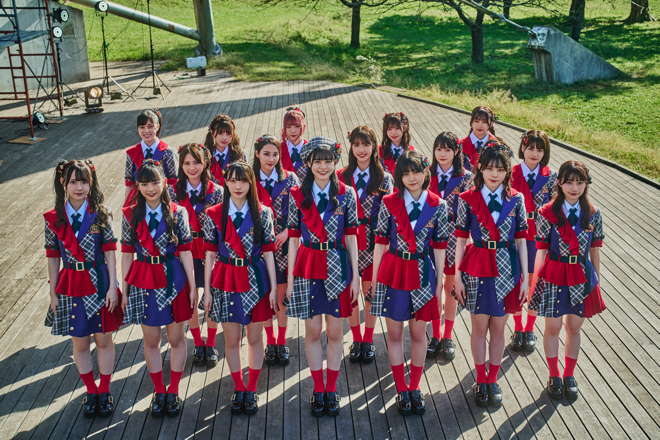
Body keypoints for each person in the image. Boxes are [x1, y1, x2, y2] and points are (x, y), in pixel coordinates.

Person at [369, 150, 449, 416]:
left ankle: (415, 387)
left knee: (418, 334)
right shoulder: (389, 202)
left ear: (426, 172)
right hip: (393, 271)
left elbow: (440, 246)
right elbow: (380, 242)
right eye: (405, 174)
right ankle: (401, 388)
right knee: (394, 334)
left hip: (423, 272)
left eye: (416, 172)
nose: (411, 178)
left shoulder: (438, 204)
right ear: (399, 177)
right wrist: (375, 279)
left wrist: (439, 285)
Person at [285, 137, 360, 417]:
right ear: (308, 163)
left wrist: (355, 277)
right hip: (308, 265)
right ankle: (318, 388)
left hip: (338, 265)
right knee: (313, 331)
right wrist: (290, 280)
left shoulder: (347, 194)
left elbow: (351, 237)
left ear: (335, 162)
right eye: (317, 161)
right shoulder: (296, 195)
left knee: (336, 332)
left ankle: (331, 388)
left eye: (328, 160)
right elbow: (293, 240)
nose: (323, 166)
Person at [44, 159, 123, 418]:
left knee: (103, 340)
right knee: (80, 343)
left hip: (99, 283)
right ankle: (90, 390)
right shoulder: (53, 218)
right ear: (63, 183)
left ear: (91, 183)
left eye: (84, 181)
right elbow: (52, 257)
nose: (79, 187)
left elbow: (110, 251)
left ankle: (104, 390)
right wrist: (53, 292)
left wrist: (113, 287)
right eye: (73, 182)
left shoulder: (102, 213)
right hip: (70, 286)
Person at [453, 143, 529, 408]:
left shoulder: (517, 199)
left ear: (508, 171)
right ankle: (480, 379)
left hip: (508, 268)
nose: (494, 174)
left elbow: (521, 240)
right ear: (480, 169)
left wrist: (525, 278)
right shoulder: (467, 198)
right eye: (489, 168)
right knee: (479, 327)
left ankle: (493, 380)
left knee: (498, 327)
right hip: (476, 267)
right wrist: (457, 276)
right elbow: (460, 239)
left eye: (500, 169)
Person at [120, 159, 197, 418]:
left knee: (176, 339)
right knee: (151, 340)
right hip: (144, 280)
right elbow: (127, 254)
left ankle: (173, 390)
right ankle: (159, 391)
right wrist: (124, 289)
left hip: (174, 279)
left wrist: (192, 287)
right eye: (144, 184)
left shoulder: (178, 212)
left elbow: (185, 251)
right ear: (138, 186)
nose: (150, 188)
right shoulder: (129, 214)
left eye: (155, 182)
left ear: (164, 182)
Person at [203, 161, 278, 415]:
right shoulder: (214, 213)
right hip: (226, 279)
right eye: (233, 180)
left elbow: (269, 253)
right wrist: (207, 290)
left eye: (243, 180)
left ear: (251, 183)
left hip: (256, 278)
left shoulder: (263, 212)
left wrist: (274, 288)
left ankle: (252, 388)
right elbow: (209, 255)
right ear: (225, 182)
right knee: (232, 339)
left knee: (255, 339)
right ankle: (238, 387)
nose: (238, 186)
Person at [529, 160, 605, 401]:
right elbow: (540, 250)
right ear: (559, 183)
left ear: (586, 184)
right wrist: (535, 284)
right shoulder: (546, 213)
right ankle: (554, 374)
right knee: (552, 328)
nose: (574, 188)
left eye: (580, 182)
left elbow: (594, 249)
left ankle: (569, 374)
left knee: (574, 327)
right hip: (554, 273)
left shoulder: (593, 213)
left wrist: (596, 281)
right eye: (569, 182)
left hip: (581, 275)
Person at [337, 126, 393, 364]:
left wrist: (387, 242)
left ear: (374, 147)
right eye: (356, 145)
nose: (361, 150)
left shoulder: (385, 178)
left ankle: (368, 339)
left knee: (370, 292)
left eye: (366, 144)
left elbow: (390, 213)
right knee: (350, 292)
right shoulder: (340, 176)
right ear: (351, 147)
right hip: (347, 242)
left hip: (374, 243)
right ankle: (356, 339)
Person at [171, 143, 224, 367]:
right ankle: (198, 342)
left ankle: (210, 342)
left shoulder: (217, 190)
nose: (192, 168)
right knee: (190, 297)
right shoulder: (173, 191)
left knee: (210, 294)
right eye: (187, 163)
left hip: (209, 249)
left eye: (196, 162)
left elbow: (222, 223)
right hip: (184, 250)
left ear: (205, 163)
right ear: (181, 165)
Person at [252, 135, 300, 366]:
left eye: (275, 154)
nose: (271, 159)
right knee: (264, 295)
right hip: (257, 246)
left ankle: (281, 341)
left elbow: (300, 211)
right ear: (257, 154)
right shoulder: (249, 179)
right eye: (266, 154)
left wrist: (287, 232)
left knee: (281, 296)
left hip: (283, 244)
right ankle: (269, 341)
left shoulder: (290, 179)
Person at [426, 132, 473, 361]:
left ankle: (447, 336)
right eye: (439, 149)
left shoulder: (467, 178)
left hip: (456, 237)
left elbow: (472, 210)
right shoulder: (426, 174)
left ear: (456, 151)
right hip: (430, 238)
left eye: (447, 149)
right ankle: (435, 334)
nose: (442, 154)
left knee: (450, 288)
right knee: (434, 286)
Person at [509, 130, 557, 353]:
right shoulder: (511, 173)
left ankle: (529, 328)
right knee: (517, 282)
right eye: (530, 148)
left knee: (536, 284)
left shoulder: (552, 176)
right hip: (516, 235)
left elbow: (557, 207)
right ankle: (517, 327)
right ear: (523, 148)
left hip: (540, 236)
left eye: (540, 149)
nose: (534, 153)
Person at [124, 109, 177, 207]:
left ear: (157, 127)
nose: (146, 131)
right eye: (142, 127)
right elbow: (129, 184)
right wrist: (127, 207)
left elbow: (172, 184)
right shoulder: (131, 153)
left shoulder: (168, 152)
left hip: (162, 200)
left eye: (150, 126)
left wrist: (171, 206)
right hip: (138, 201)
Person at [205, 114, 247, 186]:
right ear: (212, 133)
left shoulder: (240, 154)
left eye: (228, 134)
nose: (224, 138)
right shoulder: (205, 155)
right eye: (220, 133)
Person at [461, 106, 496, 172]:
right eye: (476, 121)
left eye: (484, 122)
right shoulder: (460, 145)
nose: (480, 125)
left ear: (491, 123)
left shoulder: (496, 145)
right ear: (471, 122)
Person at [280, 106, 309, 179]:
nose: (293, 131)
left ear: (304, 127)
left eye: (297, 126)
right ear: (284, 128)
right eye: (288, 127)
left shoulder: (310, 149)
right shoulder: (278, 149)